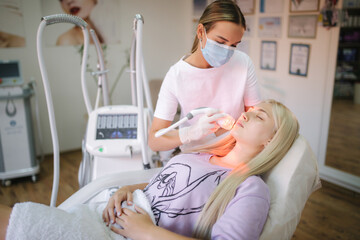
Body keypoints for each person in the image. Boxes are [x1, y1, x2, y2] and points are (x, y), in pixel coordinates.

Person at [0, 99, 300, 240]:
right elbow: (158, 186)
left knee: (15, 222)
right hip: (105, 212)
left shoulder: (250, 188)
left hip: (125, 234)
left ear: (271, 140)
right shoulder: (201, 156)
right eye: (250, 110)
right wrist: (126, 190)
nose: (247, 113)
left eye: (259, 116)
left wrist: (146, 232)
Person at [148, 0, 262, 153]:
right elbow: (154, 140)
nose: (227, 50)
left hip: (234, 151)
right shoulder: (177, 75)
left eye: (234, 45)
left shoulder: (242, 63)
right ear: (201, 32)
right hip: (196, 155)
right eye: (220, 42)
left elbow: (255, 115)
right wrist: (190, 133)